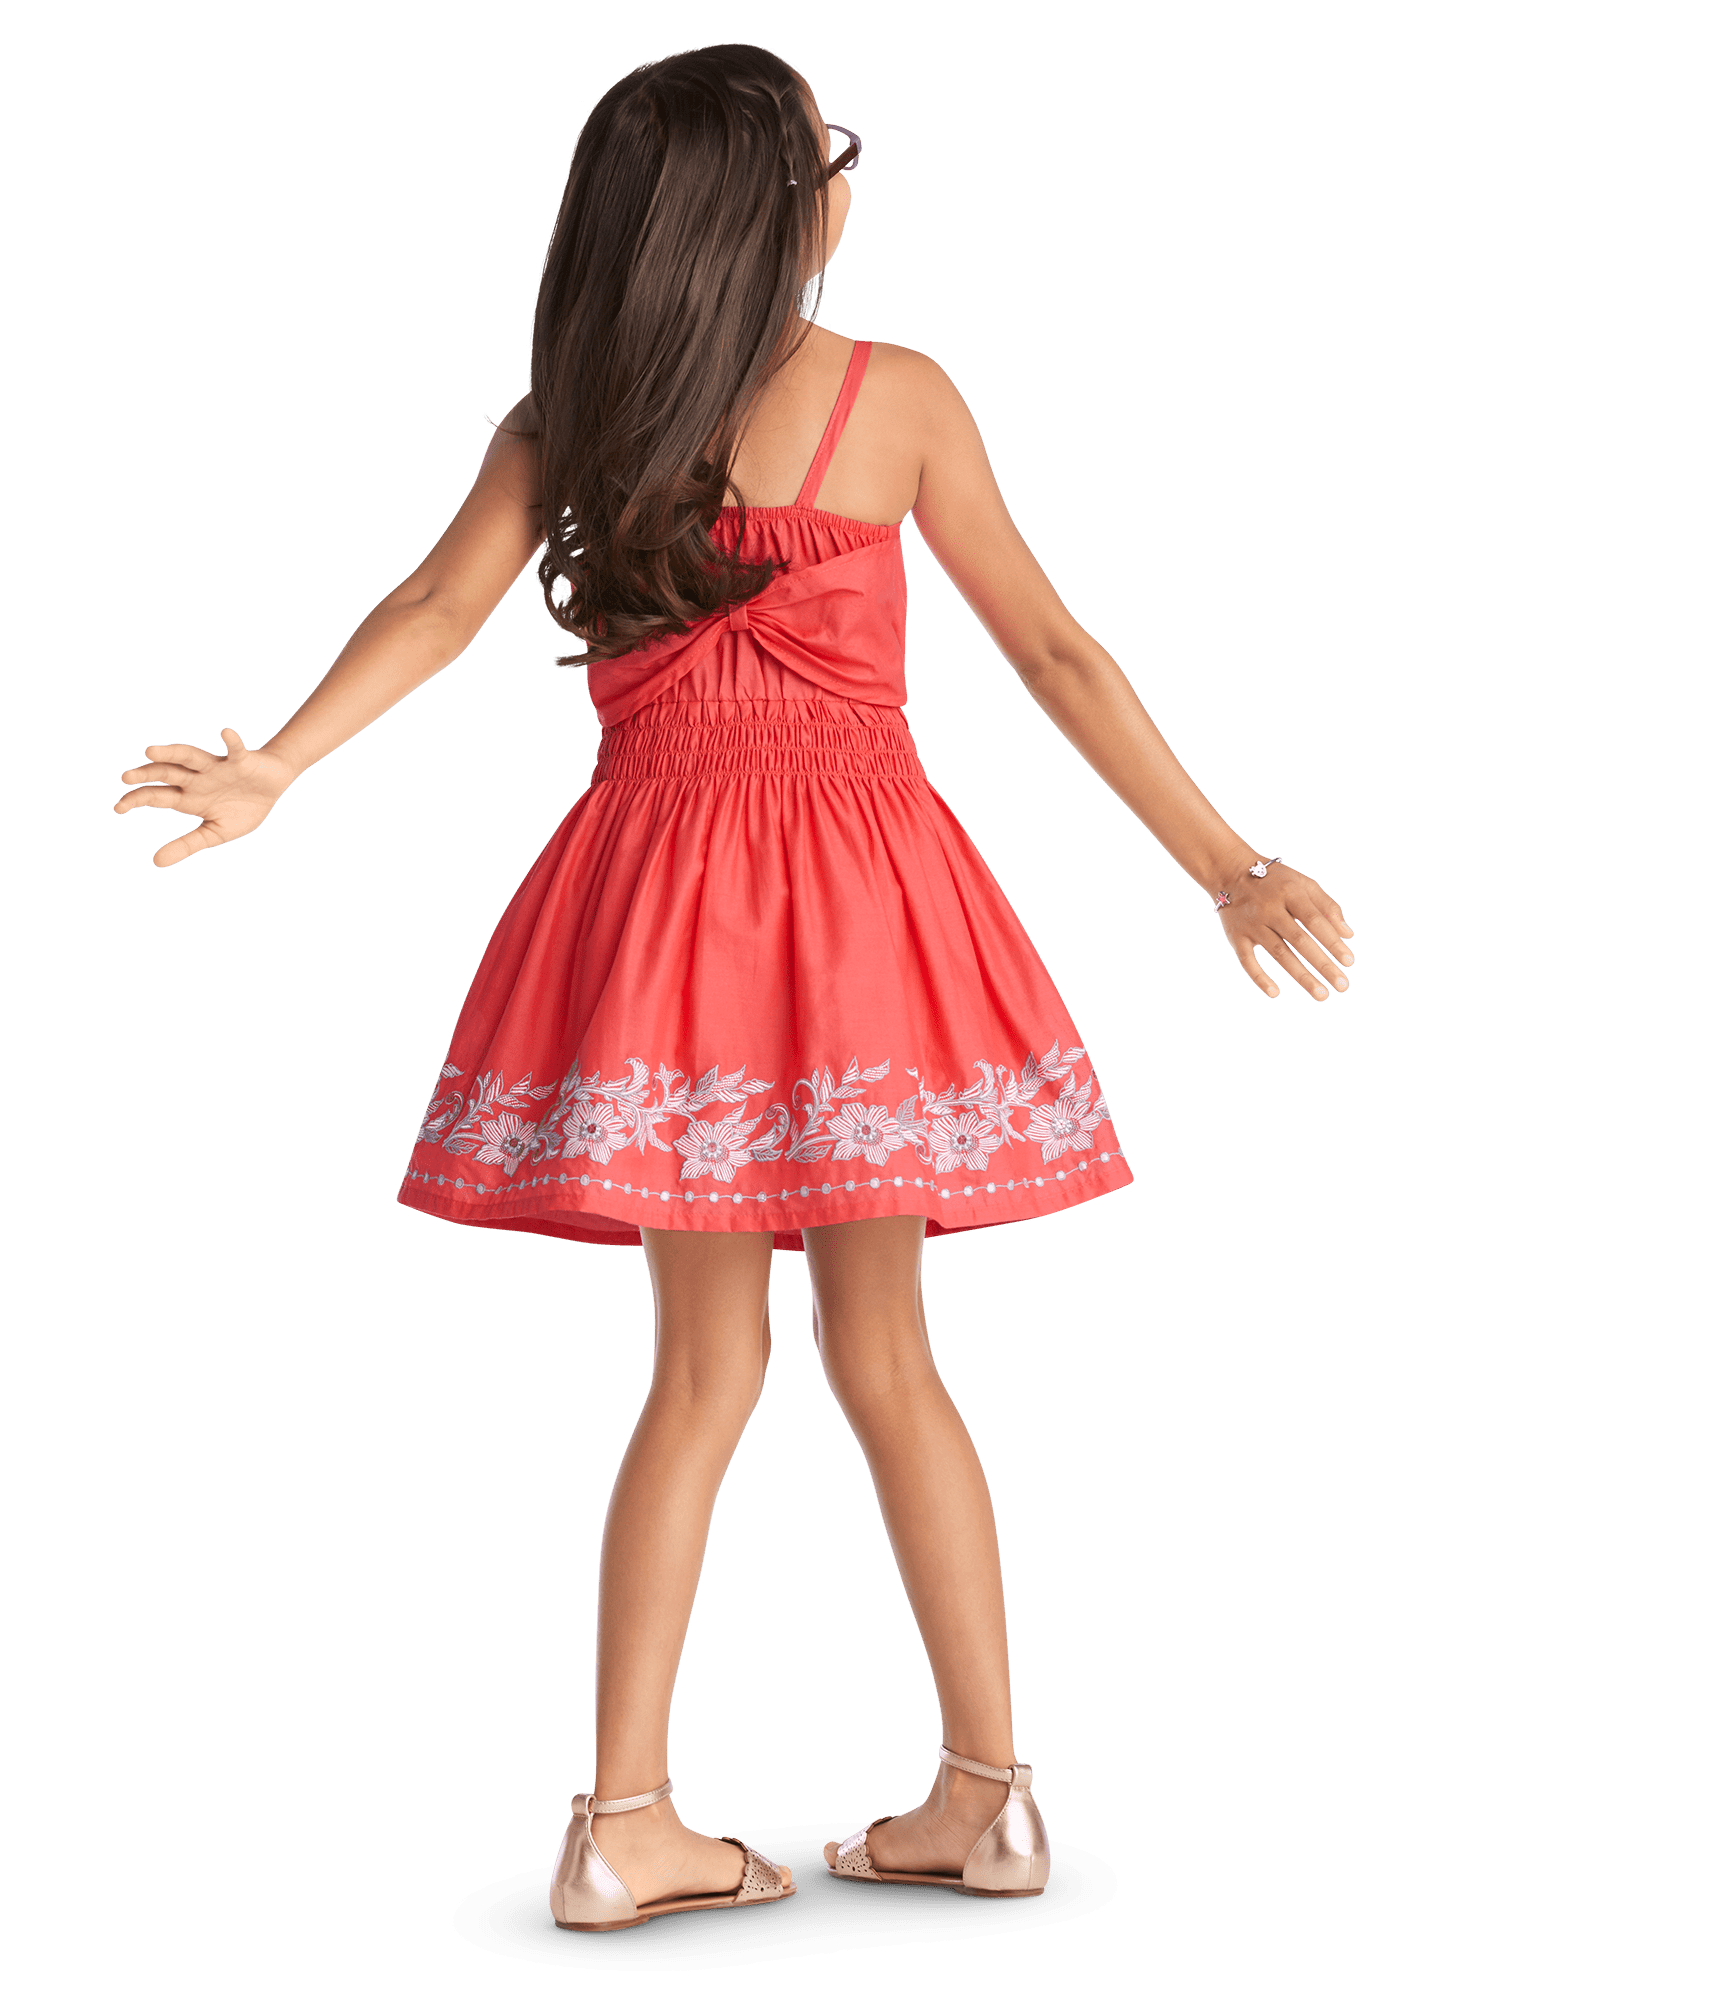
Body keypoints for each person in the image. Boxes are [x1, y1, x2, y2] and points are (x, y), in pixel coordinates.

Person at [110, 44, 1355, 1935]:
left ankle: (624, 1823)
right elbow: (1056, 650)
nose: (852, 176)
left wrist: (280, 762)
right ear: (778, 212)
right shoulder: (897, 396)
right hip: (865, 912)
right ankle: (988, 1802)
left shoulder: (574, 421)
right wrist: (1225, 863)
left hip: (669, 918)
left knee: (701, 1379)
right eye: (832, 154)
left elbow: (433, 613)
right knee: (891, 1364)